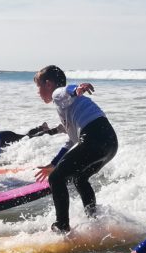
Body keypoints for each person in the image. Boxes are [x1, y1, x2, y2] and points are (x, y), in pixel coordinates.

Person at [33, 65, 118, 233]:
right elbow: (72, 140)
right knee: (79, 178)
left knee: (56, 179)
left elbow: (66, 91)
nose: (38, 92)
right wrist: (54, 163)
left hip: (94, 137)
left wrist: (78, 88)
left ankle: (62, 226)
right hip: (110, 143)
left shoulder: (58, 95)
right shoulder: (70, 107)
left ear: (48, 84)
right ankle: (94, 218)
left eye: (39, 87)